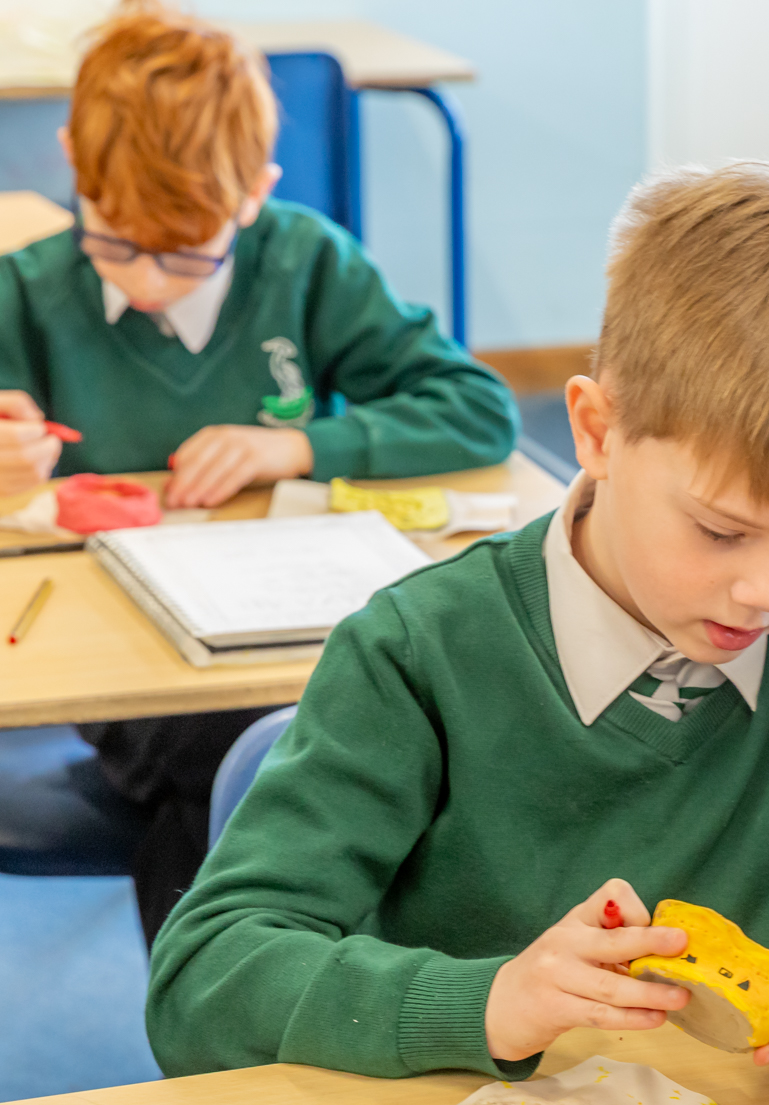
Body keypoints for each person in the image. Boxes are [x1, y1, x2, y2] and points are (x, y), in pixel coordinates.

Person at [145, 162, 769, 1081]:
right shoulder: (418, 653)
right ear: (597, 430)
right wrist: (494, 1000)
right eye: (722, 530)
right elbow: (205, 977)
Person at [0, 1, 518, 943]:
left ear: (254, 193)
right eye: (116, 242)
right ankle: (256, 1014)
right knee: (262, 759)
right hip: (131, 664)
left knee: (305, 743)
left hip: (282, 626)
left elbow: (476, 407)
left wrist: (301, 446)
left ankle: (255, 1006)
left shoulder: (305, 261)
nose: (148, 279)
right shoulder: (26, 294)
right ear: (74, 161)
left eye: (185, 250)